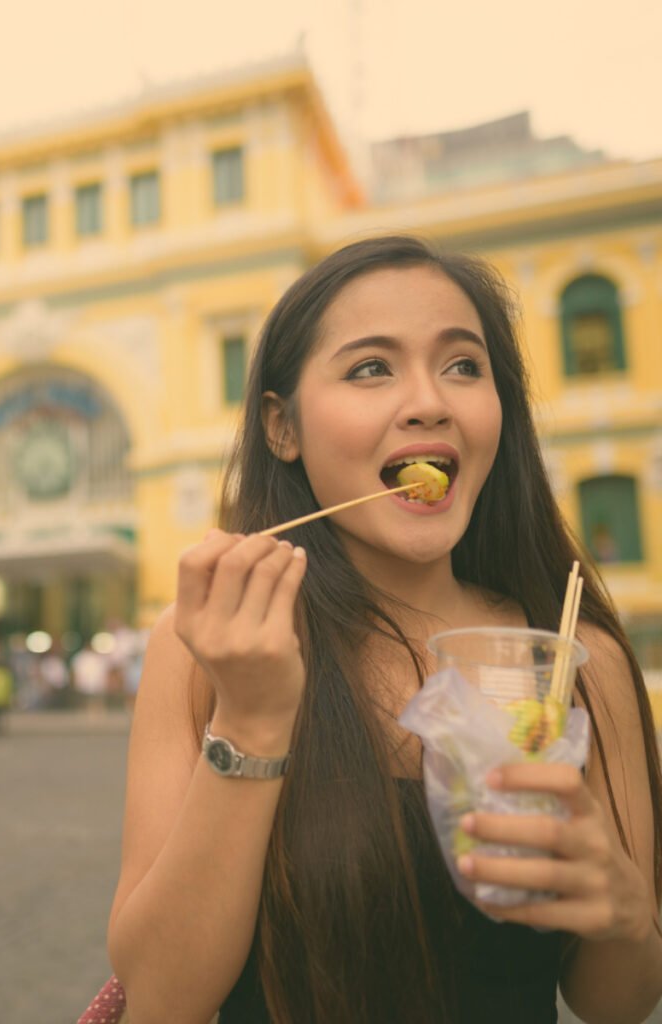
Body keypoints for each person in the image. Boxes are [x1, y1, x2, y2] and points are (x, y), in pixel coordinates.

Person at [106, 236, 662, 1023]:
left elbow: (618, 1004)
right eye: (371, 367)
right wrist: (255, 714)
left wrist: (624, 911)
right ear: (282, 428)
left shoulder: (577, 659)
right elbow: (161, 1001)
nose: (429, 399)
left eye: (464, 365)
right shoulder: (207, 647)